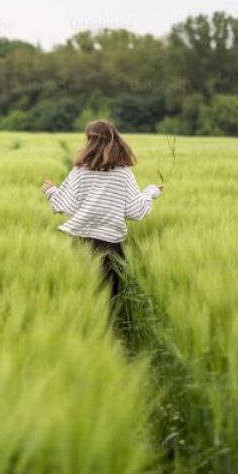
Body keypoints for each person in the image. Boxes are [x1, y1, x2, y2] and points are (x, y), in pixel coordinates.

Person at [41, 120, 162, 328]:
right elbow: (136, 211)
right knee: (110, 302)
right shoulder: (124, 174)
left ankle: (82, 334)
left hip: (78, 242)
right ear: (115, 140)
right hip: (109, 247)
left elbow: (64, 205)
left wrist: (51, 190)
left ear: (89, 141)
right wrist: (151, 192)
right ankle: (109, 339)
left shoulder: (80, 171)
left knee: (79, 295)